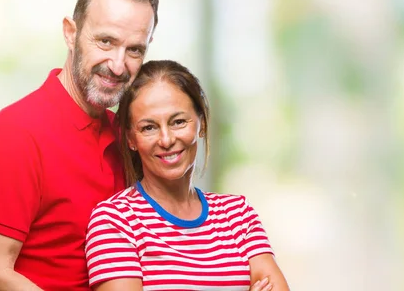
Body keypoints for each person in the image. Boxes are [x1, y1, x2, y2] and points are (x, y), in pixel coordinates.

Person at [0, 0, 159, 290]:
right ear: (71, 33)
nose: (118, 64)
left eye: (135, 50)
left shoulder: (127, 136)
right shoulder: (16, 133)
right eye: (106, 41)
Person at [85, 60, 290, 291]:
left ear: (201, 124)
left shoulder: (238, 216)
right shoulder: (115, 222)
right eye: (149, 127)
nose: (166, 140)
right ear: (131, 138)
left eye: (178, 122)